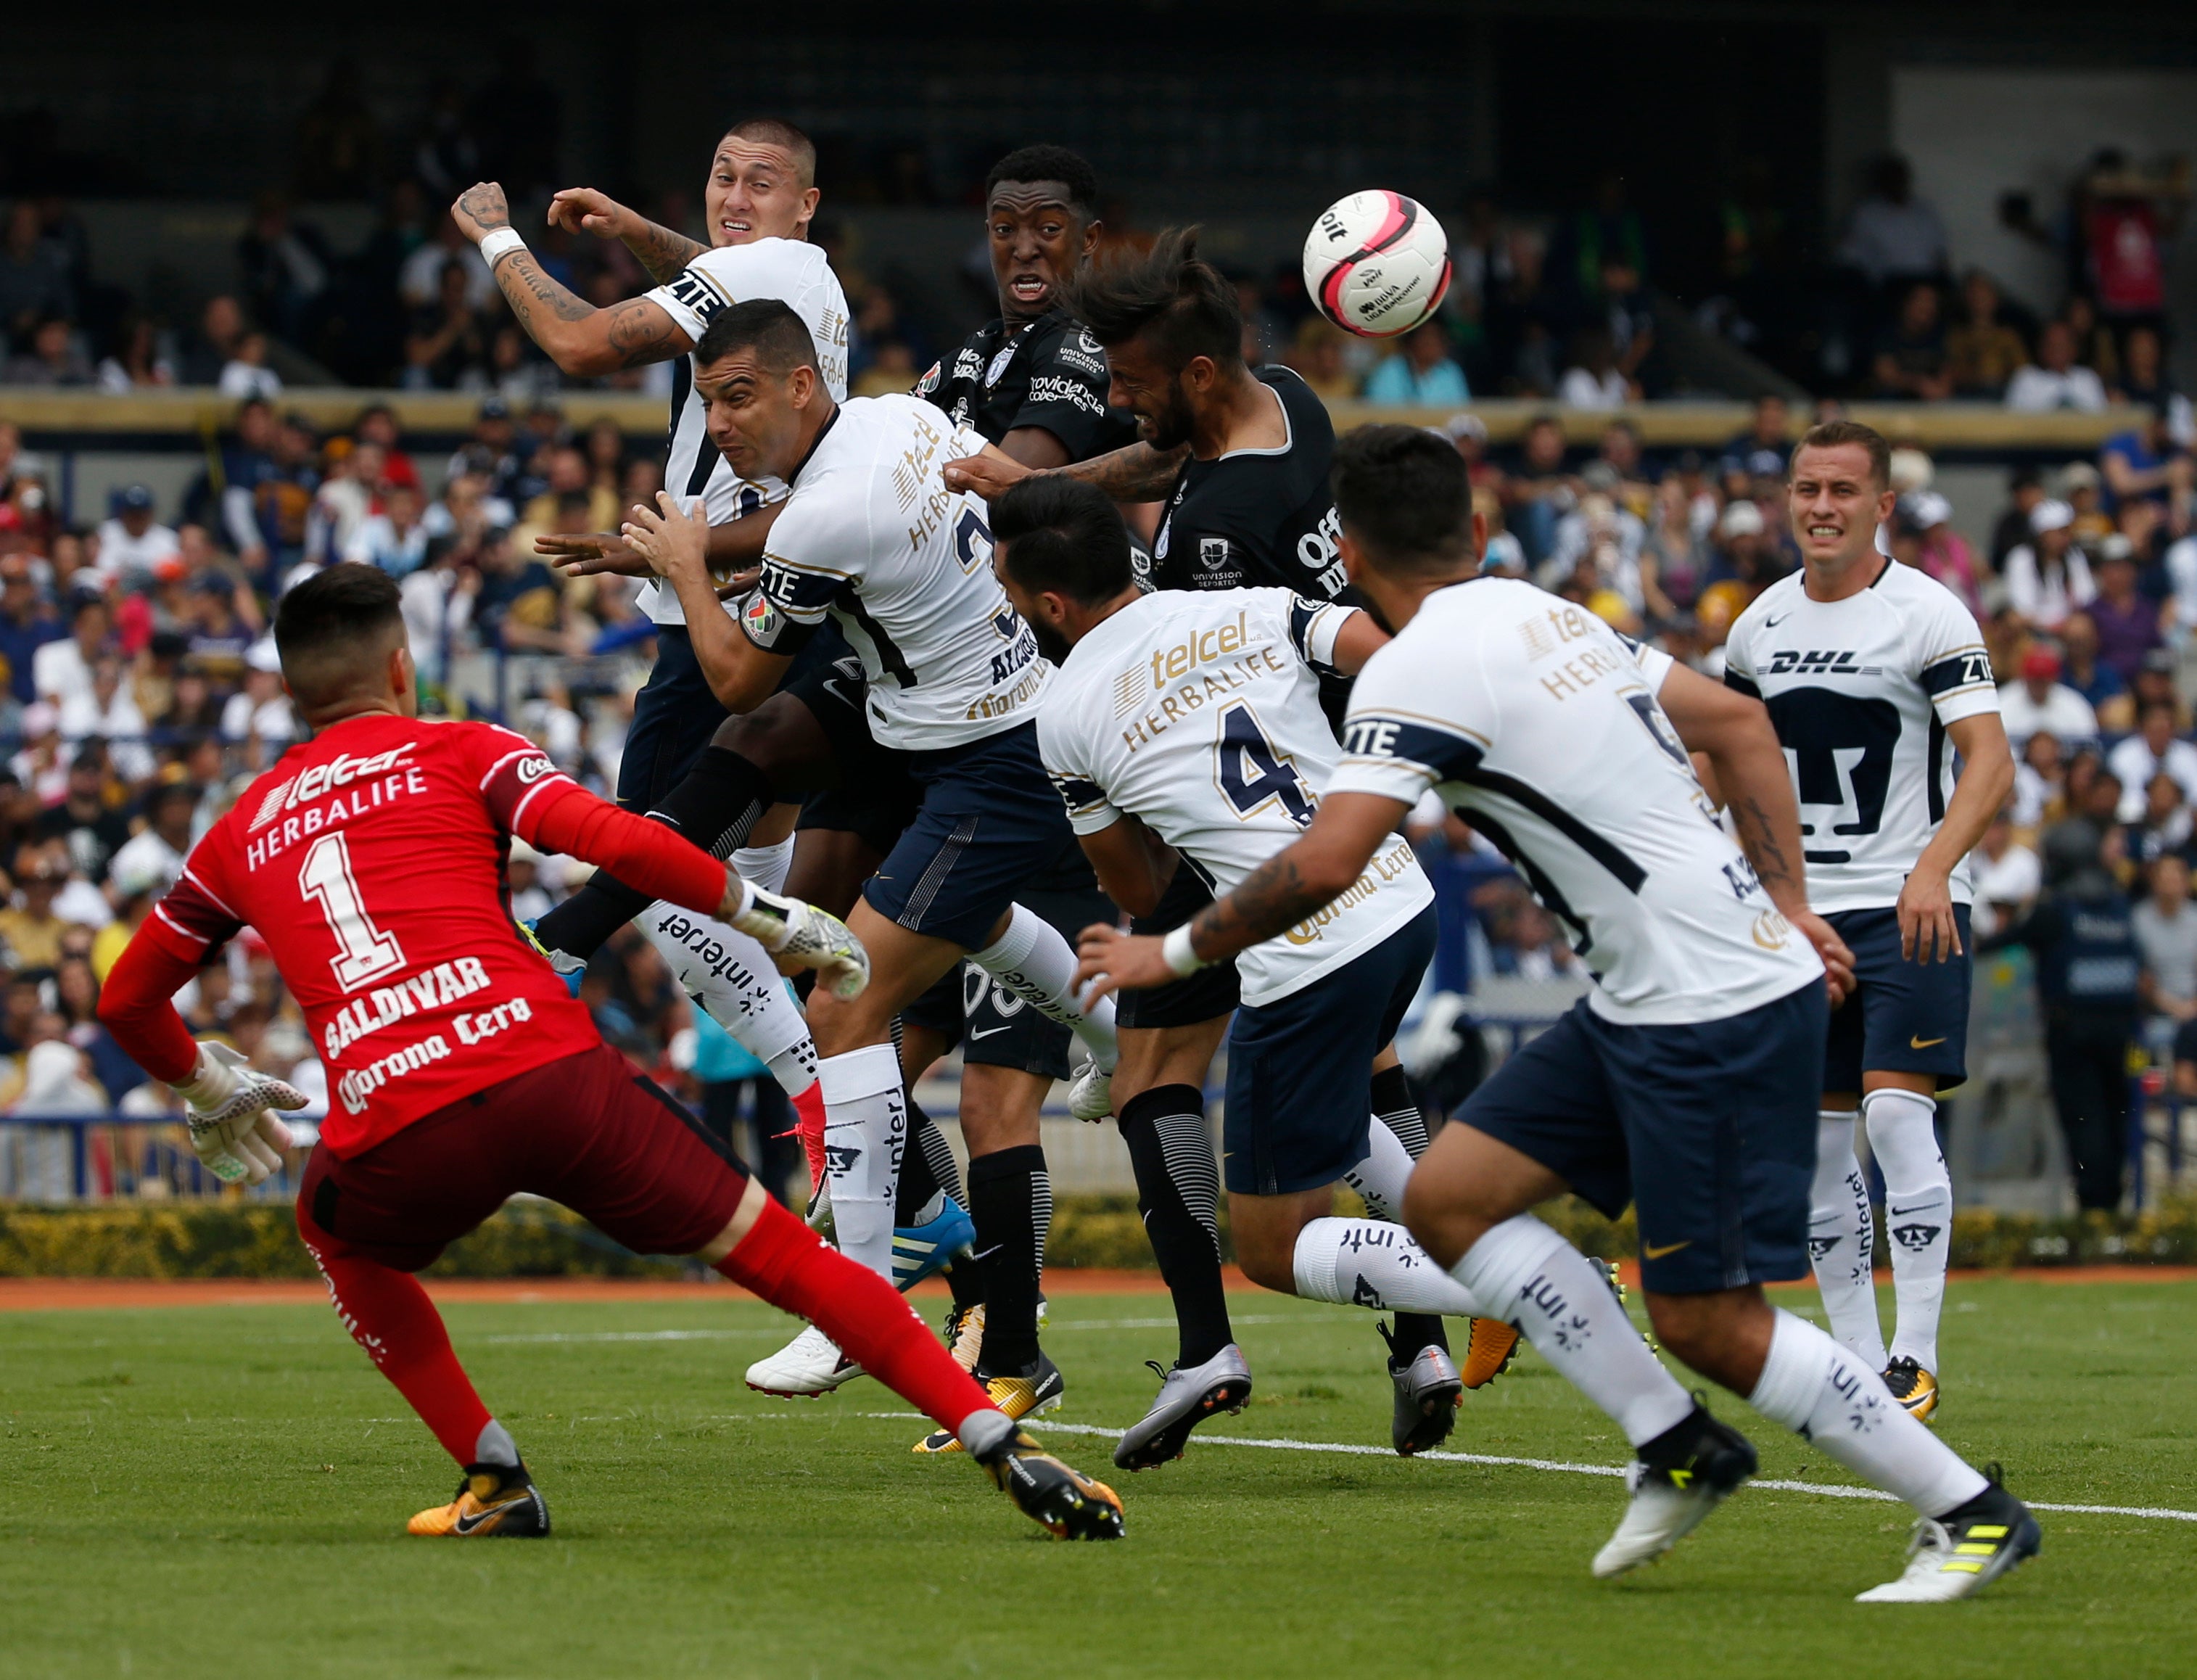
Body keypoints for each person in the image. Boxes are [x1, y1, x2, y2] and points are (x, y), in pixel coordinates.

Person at [1077, 422, 2040, 1600]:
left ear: (1342, 550)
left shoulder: (1415, 670)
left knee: (1710, 1323)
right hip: (1660, 989)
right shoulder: (1540, 607)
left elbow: (1325, 864)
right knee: (1447, 1198)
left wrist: (1163, 949)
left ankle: (1970, 1510)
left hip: (1709, 1008)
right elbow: (1738, 726)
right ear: (1473, 533)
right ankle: (1675, 1448)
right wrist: (1784, 900)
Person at [91, 564, 1121, 1542]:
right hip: (553, 1077)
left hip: (397, 1117)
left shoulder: (239, 829)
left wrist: (206, 1081)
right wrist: (765, 914)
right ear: (401, 668)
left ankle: (492, 1476)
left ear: (287, 689)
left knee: (341, 1237)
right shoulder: (465, 749)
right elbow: (613, 839)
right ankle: (999, 1437)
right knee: (782, 1259)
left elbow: (128, 998)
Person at [945, 232, 1477, 1450]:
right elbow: (1155, 457)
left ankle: (1214, 1343)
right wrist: (1034, 481)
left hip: (1250, 845)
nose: (1117, 399)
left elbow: (1142, 638)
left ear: (1188, 373)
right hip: (1337, 796)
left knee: (1153, 1078)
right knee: (1363, 1071)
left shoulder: (1214, 541)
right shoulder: (1278, 402)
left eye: (1129, 377)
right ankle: (1422, 1337)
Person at [616, 301, 1113, 1441]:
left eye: (739, 396)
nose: (720, 424)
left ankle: (858, 1296)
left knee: (847, 1001)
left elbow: (741, 683)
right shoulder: (905, 418)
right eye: (706, 402)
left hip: (991, 758)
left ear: (801, 385)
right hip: (945, 739)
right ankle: (1110, 1029)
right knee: (927, 958)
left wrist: (688, 567)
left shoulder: (827, 506)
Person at [1002, 474, 1512, 1466]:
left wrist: (1152, 797)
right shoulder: (1246, 606)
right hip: (1398, 898)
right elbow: (1384, 655)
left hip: (1303, 947)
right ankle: (1422, 1343)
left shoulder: (1062, 712)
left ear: (1051, 608)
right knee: (1346, 1102)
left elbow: (1144, 891)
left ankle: (1507, 1276)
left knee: (1272, 1245)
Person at [1724, 419, 2014, 1425]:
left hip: (1906, 903)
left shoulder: (1929, 614)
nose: (1820, 507)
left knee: (1896, 1112)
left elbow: (1990, 760)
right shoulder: (1754, 627)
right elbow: (1728, 768)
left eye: (1843, 491)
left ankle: (1915, 1355)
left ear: (1882, 505)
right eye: (1807, 488)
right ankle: (1858, 1371)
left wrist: (1934, 869)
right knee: (1814, 1146)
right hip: (1798, 919)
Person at [1982, 819, 2140, 1212]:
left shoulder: (2055, 909)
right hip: (2121, 1030)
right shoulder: (2119, 904)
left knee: (2084, 1119)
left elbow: (1995, 945)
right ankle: (2114, 1202)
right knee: (2116, 1114)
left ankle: (2094, 1208)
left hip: (2071, 1032)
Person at [1998, 646, 2098, 749]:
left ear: (2054, 679)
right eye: (2034, 680)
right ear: (2024, 677)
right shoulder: (2002, 703)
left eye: (2043, 680)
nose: (2038, 685)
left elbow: (2088, 749)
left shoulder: (2075, 705)